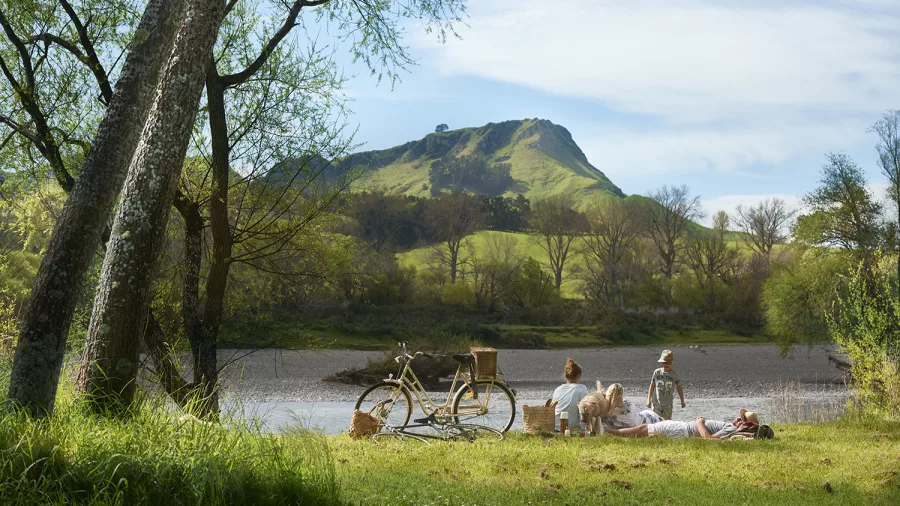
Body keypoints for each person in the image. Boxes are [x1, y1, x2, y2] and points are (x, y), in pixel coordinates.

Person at [605, 408, 759, 440]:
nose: (737, 420)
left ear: (742, 424)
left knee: (643, 429)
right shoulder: (729, 426)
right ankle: (612, 431)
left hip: (683, 429)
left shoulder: (731, 429)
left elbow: (710, 440)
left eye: (740, 420)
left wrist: (699, 423)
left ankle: (610, 432)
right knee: (644, 430)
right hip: (683, 427)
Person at [646, 349, 685, 420]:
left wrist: (682, 401)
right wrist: (648, 400)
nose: (666, 364)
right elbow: (652, 385)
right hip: (656, 403)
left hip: (668, 405)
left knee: (666, 424)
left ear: (671, 363)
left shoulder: (675, 375)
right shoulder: (657, 372)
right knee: (655, 423)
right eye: (664, 363)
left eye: (668, 363)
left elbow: (679, 388)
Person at [551, 358, 588, 430]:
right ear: (578, 376)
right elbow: (584, 410)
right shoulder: (581, 388)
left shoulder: (557, 389)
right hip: (571, 427)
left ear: (565, 376)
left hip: (555, 426)